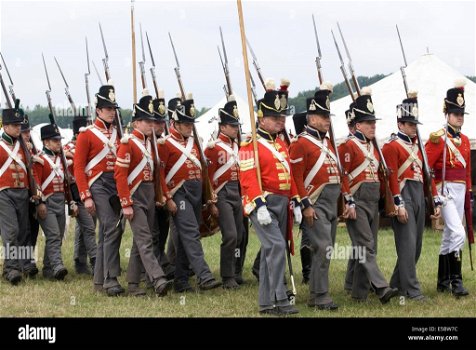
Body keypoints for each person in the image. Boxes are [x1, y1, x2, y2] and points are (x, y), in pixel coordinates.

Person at [239, 79, 302, 315]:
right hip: (262, 204)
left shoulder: (281, 144)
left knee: (270, 250)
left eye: (282, 117)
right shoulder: (250, 145)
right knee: (276, 247)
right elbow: (248, 179)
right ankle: (280, 299)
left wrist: (295, 199)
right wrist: (258, 204)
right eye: (276, 117)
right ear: (261, 117)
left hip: (282, 203)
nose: (281, 120)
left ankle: (266, 303)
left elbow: (290, 175)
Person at [338, 87, 399, 304]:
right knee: (365, 245)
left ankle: (359, 294)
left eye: (374, 122)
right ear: (357, 125)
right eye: (368, 122)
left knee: (369, 246)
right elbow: (342, 175)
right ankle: (381, 288)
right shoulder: (348, 145)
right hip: (358, 199)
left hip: (373, 199)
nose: (373, 125)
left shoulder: (374, 146)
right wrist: (348, 200)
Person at [158, 95, 221, 292]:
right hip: (178, 194)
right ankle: (204, 275)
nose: (188, 127)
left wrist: (209, 197)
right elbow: (159, 175)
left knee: (187, 237)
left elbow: (203, 170)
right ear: (175, 123)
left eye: (190, 123)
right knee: (191, 233)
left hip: (195, 193)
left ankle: (181, 280)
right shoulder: (165, 144)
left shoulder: (195, 143)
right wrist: (167, 198)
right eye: (185, 123)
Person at [382, 92, 442, 301]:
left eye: (414, 123)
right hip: (404, 195)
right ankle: (412, 290)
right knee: (407, 246)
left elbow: (427, 175)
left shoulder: (419, 147)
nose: (413, 127)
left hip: (418, 195)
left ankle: (396, 285)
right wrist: (398, 203)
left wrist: (434, 199)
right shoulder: (391, 146)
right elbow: (391, 178)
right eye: (408, 123)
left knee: (415, 247)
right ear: (400, 124)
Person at [115, 92, 173, 297]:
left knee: (140, 243)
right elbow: (120, 175)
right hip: (135, 195)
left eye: (153, 121)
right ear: (137, 122)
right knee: (145, 238)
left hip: (149, 193)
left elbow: (157, 174)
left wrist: (162, 195)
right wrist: (126, 203)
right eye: (148, 121)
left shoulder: (151, 143)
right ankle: (158, 278)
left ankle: (133, 284)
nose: (152, 124)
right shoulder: (128, 143)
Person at [289, 82, 341, 310]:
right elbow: (296, 177)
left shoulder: (326, 142)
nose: (327, 119)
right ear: (310, 118)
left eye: (328, 115)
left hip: (331, 203)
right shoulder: (301, 143)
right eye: (322, 115)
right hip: (315, 203)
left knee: (327, 248)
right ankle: (319, 295)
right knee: (322, 247)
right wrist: (305, 205)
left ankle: (320, 291)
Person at [74, 82, 125, 296]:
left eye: (113, 109)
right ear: (98, 110)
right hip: (98, 184)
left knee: (111, 230)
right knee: (111, 226)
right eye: (108, 109)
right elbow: (78, 167)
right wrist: (85, 196)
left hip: (115, 183)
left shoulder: (118, 134)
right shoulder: (87, 134)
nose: (112, 112)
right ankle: (111, 278)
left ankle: (99, 281)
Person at [425, 80, 472, 297]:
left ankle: (442, 282)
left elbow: (467, 173)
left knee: (448, 237)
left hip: (461, 192)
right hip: (445, 193)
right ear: (447, 113)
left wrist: (469, 194)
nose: (459, 116)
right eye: (455, 112)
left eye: (461, 112)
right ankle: (456, 281)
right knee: (458, 233)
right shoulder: (437, 139)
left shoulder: (464, 140)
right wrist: (434, 196)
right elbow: (426, 168)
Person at [205, 95, 244, 289]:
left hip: (237, 192)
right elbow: (208, 177)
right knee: (230, 235)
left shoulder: (239, 146)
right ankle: (227, 276)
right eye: (232, 125)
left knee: (240, 235)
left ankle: (236, 272)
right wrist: (211, 202)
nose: (236, 128)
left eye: (237, 125)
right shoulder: (213, 148)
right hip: (221, 194)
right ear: (222, 127)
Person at [33, 124, 77, 280]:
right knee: (52, 235)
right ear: (46, 142)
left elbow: (66, 184)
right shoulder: (40, 159)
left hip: (61, 201)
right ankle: (58, 266)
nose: (59, 143)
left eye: (59, 140)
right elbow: (36, 183)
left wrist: (71, 201)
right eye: (54, 140)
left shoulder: (61, 159)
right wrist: (39, 203)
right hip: (47, 201)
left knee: (57, 236)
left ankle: (47, 269)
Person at [0, 104, 32, 285]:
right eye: (14, 125)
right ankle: (11, 269)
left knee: (22, 231)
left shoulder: (24, 147)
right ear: (5, 126)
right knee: (11, 232)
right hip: (4, 192)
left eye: (19, 125)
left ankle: (19, 265)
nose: (18, 128)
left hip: (23, 193)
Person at [65, 115, 97, 275]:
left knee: (84, 229)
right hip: (77, 195)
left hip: (92, 191)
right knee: (89, 228)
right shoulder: (69, 148)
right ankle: (93, 260)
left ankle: (80, 260)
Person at [150, 92, 175, 280]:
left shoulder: (165, 143)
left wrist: (165, 196)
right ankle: (151, 271)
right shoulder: (143, 143)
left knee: (162, 232)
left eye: (162, 122)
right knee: (151, 235)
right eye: (156, 122)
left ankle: (162, 265)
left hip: (164, 194)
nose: (160, 126)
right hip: (148, 196)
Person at [20, 114, 40, 277]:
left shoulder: (33, 149)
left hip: (32, 193)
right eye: (23, 131)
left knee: (33, 227)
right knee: (21, 229)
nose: (26, 134)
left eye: (27, 131)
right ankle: (21, 262)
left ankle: (29, 258)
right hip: (20, 192)